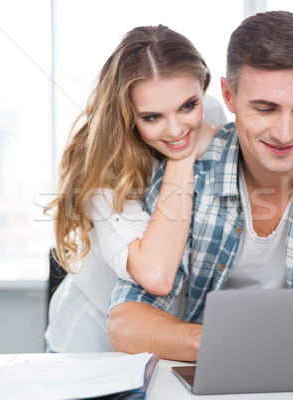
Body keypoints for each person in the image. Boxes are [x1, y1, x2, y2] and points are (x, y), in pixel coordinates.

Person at [108, 10, 293, 361]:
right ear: (228, 97)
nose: (284, 133)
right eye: (265, 109)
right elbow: (125, 321)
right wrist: (226, 345)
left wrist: (250, 347)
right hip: (219, 368)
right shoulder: (190, 169)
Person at [44, 25, 221, 353]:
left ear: (204, 85)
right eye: (152, 117)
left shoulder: (210, 113)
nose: (176, 128)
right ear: (127, 113)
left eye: (187, 106)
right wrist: (184, 159)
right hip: (92, 338)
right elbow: (156, 275)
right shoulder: (101, 166)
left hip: (170, 335)